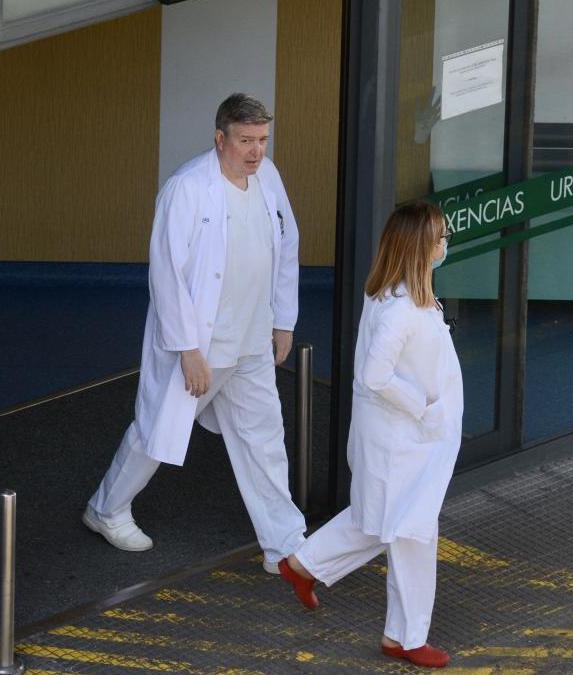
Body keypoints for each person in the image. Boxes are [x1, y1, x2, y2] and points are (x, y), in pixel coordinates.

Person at [82, 93, 307, 575]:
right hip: (201, 345)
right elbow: (165, 274)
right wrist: (188, 350)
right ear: (220, 138)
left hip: (250, 340)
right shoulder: (186, 188)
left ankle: (284, 541)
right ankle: (105, 509)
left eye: (262, 141)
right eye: (246, 141)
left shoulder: (267, 178)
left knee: (264, 436)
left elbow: (286, 244)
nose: (256, 152)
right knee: (155, 432)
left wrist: (282, 319)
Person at [277, 201, 463, 669]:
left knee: (376, 519)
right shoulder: (401, 308)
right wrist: (424, 408)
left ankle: (303, 565)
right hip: (405, 442)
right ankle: (403, 637)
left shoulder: (394, 293)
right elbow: (375, 373)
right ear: (420, 248)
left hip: (404, 441)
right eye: (440, 237)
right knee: (412, 534)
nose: (445, 245)